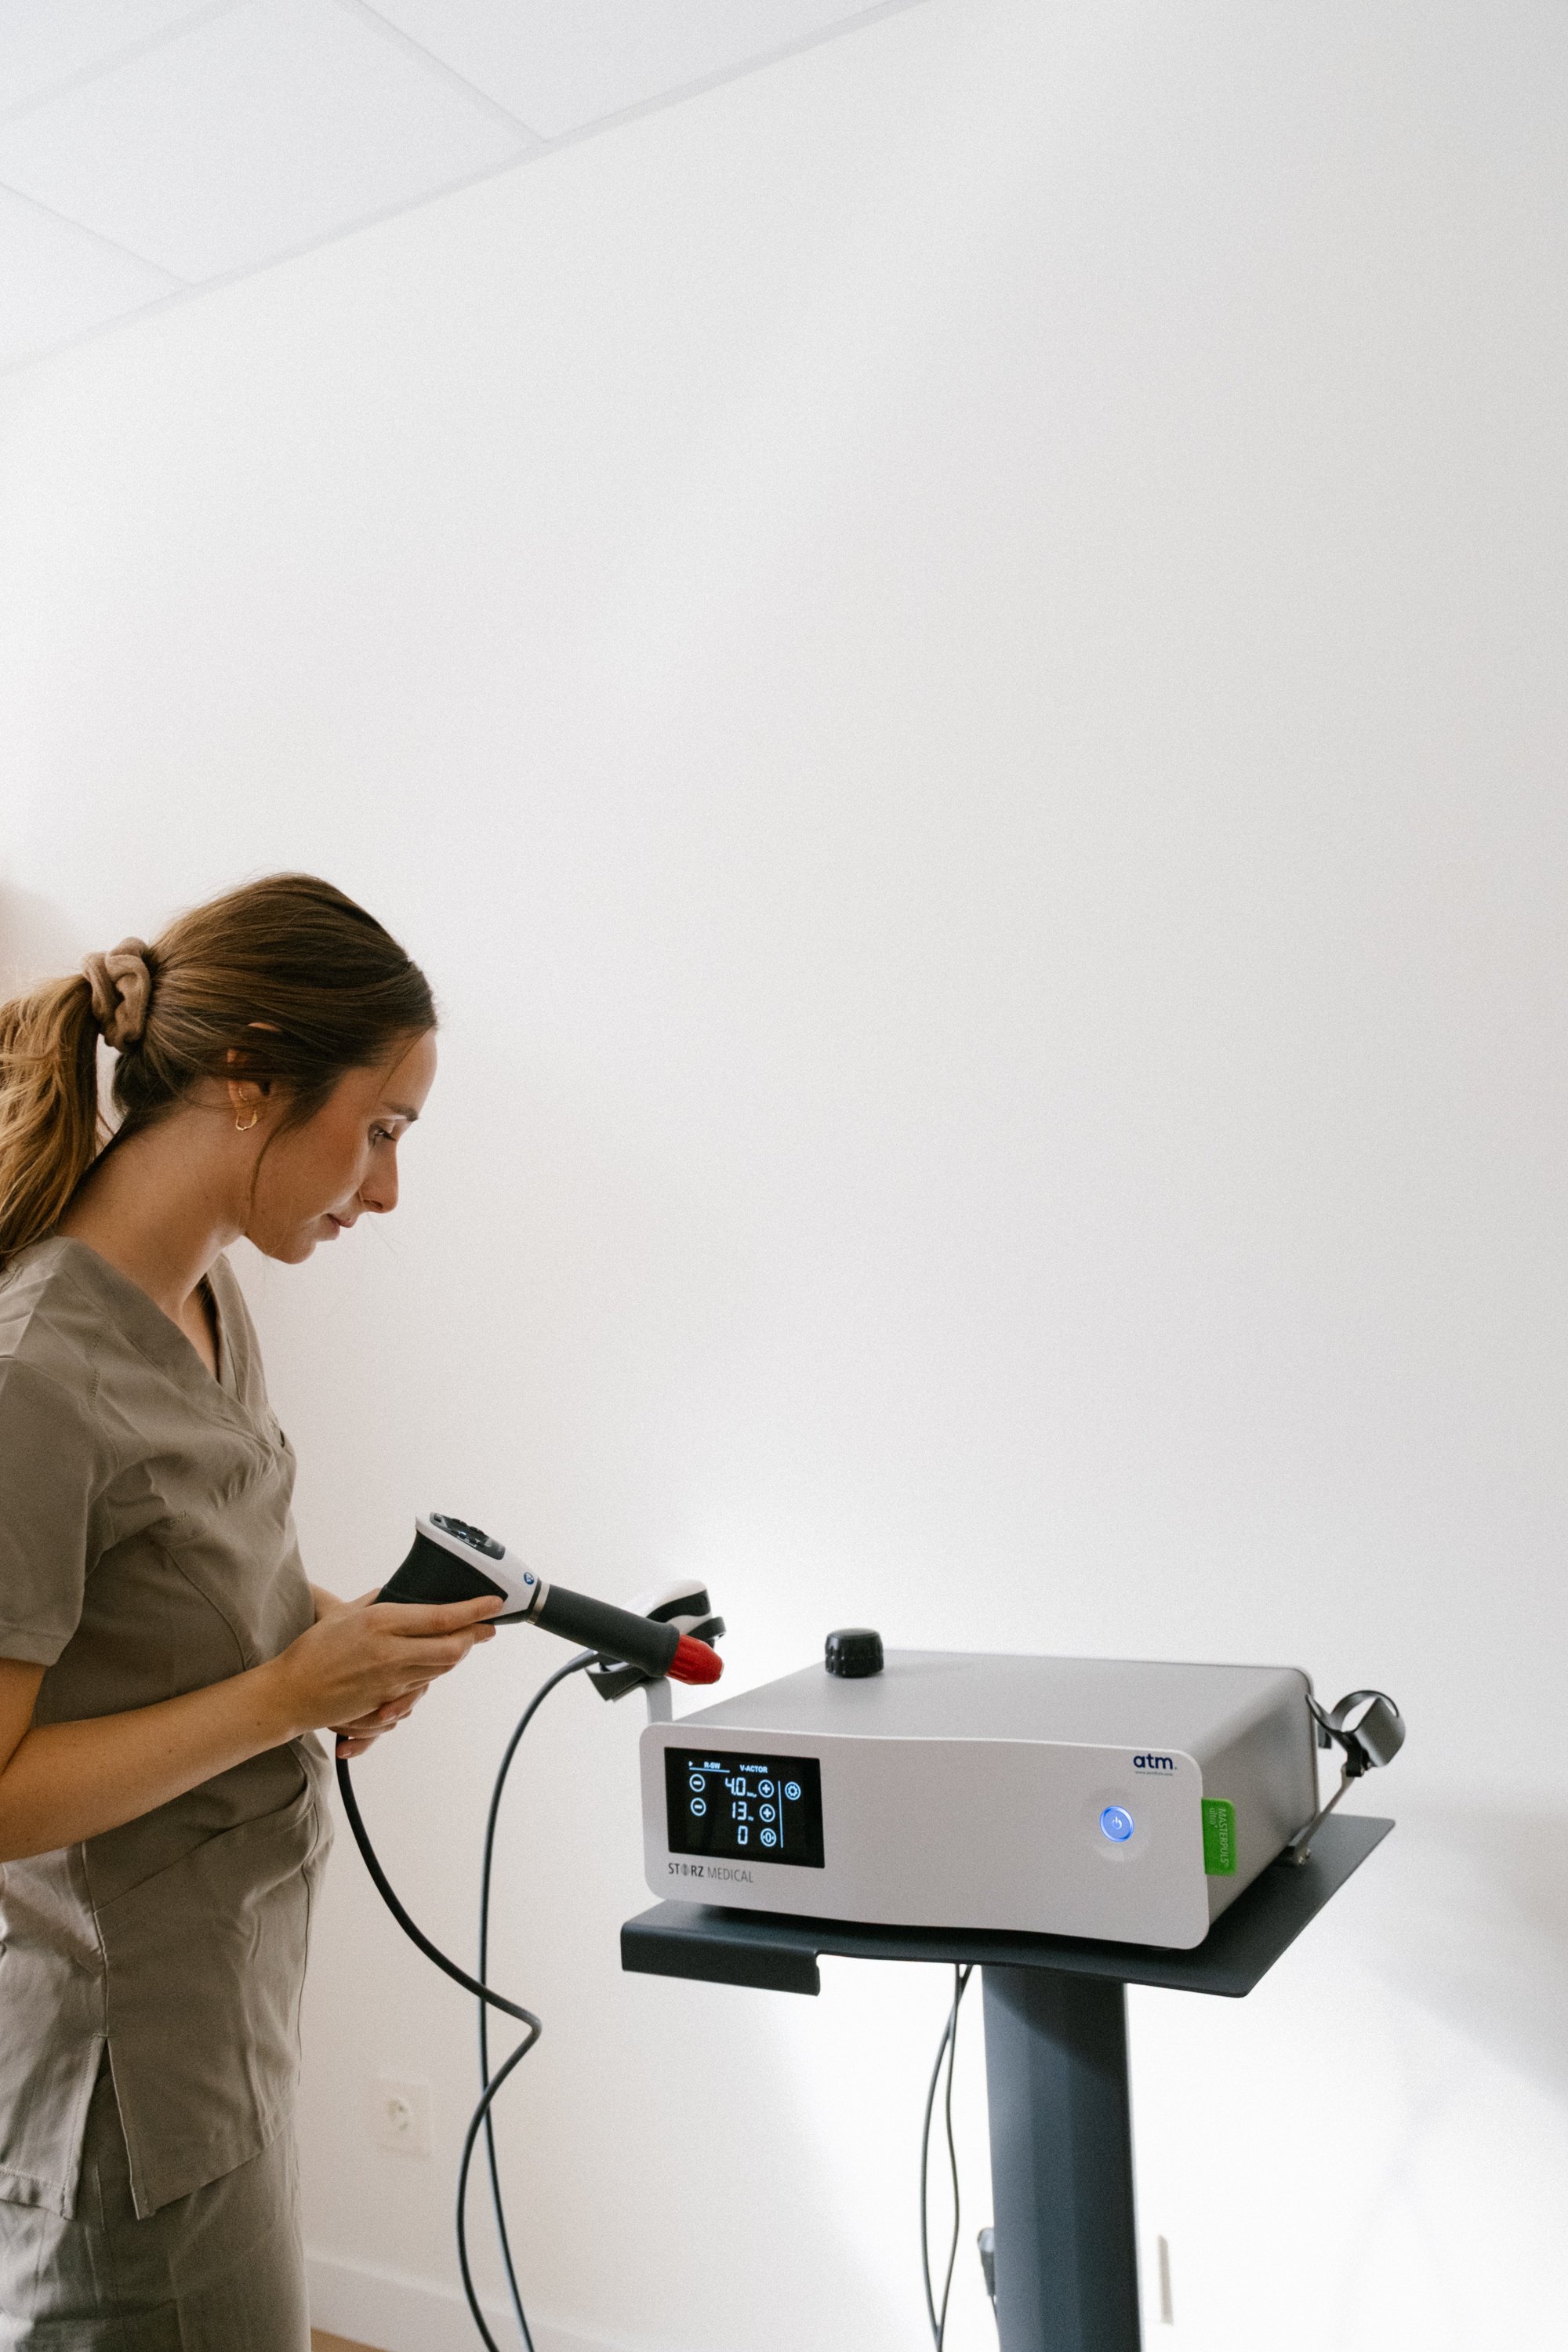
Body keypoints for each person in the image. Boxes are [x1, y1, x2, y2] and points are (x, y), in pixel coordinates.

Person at [0, 873, 502, 2349]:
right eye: (383, 1127)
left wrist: (336, 1648)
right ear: (248, 1076)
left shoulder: (208, 1300)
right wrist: (288, 1695)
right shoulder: (34, 1372)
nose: (389, 1186)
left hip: (226, 2016)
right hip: (121, 2086)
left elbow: (175, 1599)